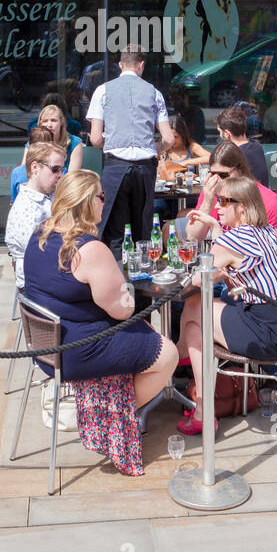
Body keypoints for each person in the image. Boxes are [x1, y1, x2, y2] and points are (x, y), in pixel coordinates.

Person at [23, 170, 178, 406]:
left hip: (45, 349)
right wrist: (126, 289)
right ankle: (114, 417)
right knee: (168, 354)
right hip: (78, 352)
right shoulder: (90, 249)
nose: (105, 201)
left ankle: (109, 408)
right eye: (101, 196)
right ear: (87, 203)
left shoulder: (39, 235)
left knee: (143, 328)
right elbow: (123, 310)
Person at [176, 177, 277, 433]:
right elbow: (233, 260)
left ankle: (198, 401)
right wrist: (217, 230)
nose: (217, 208)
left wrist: (215, 237)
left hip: (266, 334)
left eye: (223, 202)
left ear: (242, 207)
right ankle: (180, 361)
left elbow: (197, 277)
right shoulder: (269, 232)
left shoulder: (236, 240)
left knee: (192, 318)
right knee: (197, 308)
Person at [86, 47, 175, 256]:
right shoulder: (154, 93)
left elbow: (96, 138)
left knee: (114, 231)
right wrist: (155, 147)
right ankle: (141, 279)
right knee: (141, 231)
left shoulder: (103, 90)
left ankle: (117, 278)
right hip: (144, 168)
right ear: (141, 64)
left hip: (115, 166)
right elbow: (169, 139)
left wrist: (113, 142)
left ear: (120, 65)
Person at [186, 141, 277, 241]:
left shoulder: (268, 201)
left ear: (241, 170)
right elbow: (192, 238)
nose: (218, 181)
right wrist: (207, 202)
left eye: (223, 175)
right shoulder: (211, 193)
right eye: (213, 174)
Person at [5, 140, 65, 286]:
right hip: (39, 288)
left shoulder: (50, 195)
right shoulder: (26, 209)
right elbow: (40, 254)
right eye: (55, 169)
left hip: (53, 278)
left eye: (62, 169)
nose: (60, 175)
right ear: (35, 168)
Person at [216, 105, 268, 186]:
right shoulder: (257, 146)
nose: (219, 135)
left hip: (245, 198)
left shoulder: (234, 154)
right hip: (261, 196)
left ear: (227, 134)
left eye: (219, 132)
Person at [33, 103, 83, 174]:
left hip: (64, 183)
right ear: (40, 124)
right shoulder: (34, 142)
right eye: (45, 121)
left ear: (61, 122)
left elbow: (72, 177)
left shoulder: (74, 142)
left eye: (53, 120)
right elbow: (25, 172)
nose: (49, 125)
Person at [158, 113, 210, 179]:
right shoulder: (163, 150)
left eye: (175, 137)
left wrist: (187, 162)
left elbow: (211, 158)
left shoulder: (192, 147)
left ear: (183, 135)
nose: (172, 140)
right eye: (169, 136)